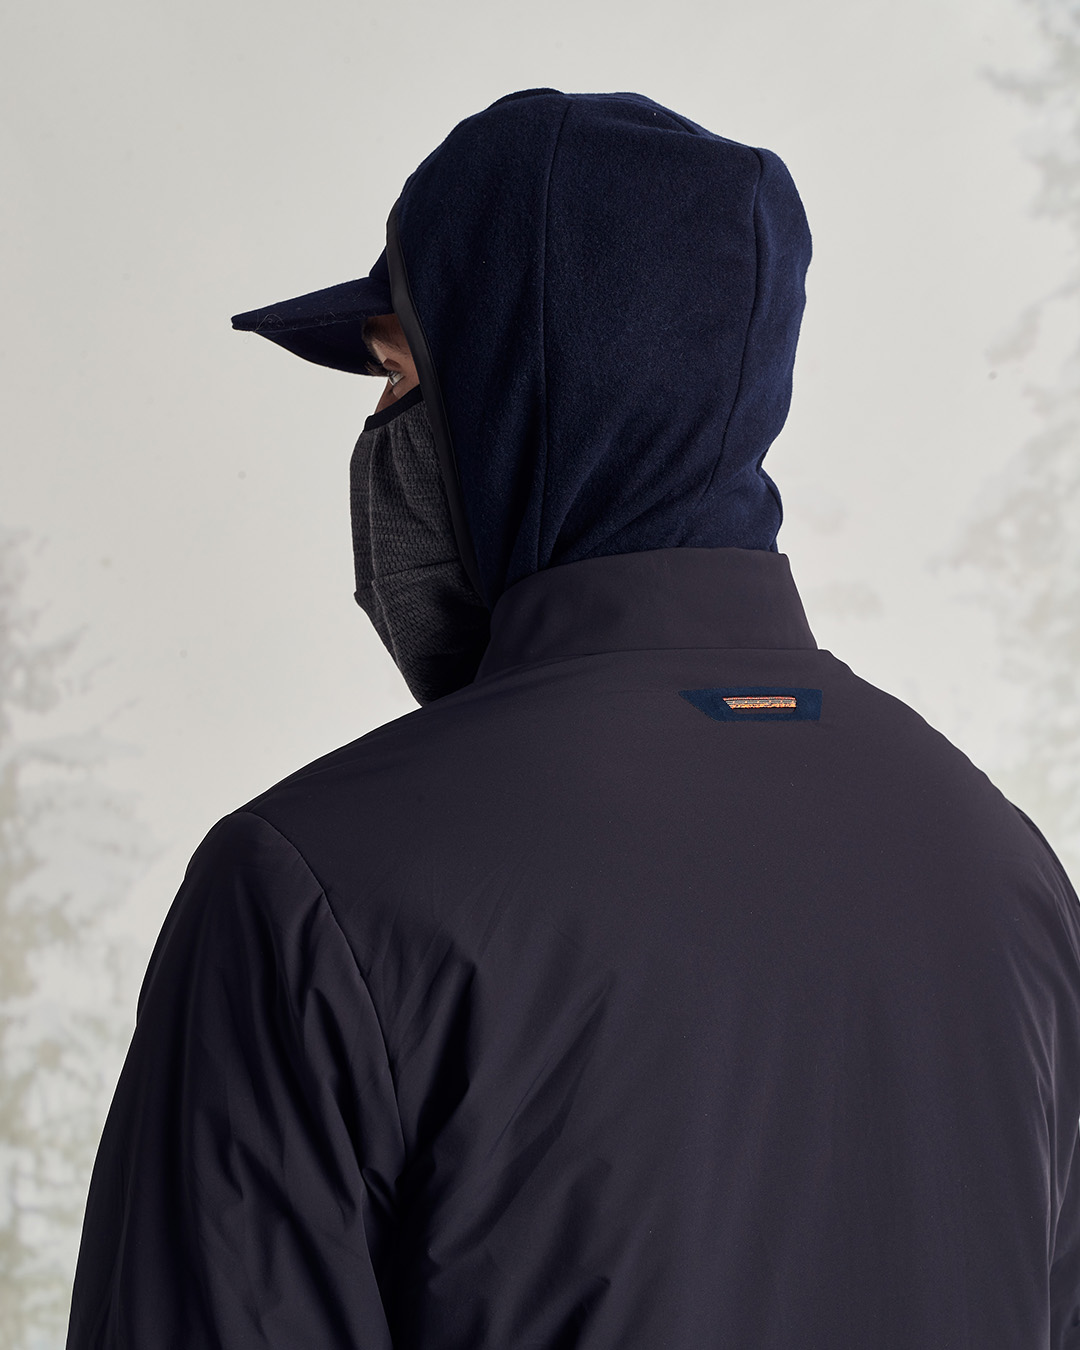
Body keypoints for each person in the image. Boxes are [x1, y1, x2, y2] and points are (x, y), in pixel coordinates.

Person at [66, 88, 1080, 1350]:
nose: (381, 436)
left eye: (399, 377)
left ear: (511, 396)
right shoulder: (1007, 876)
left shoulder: (307, 890)